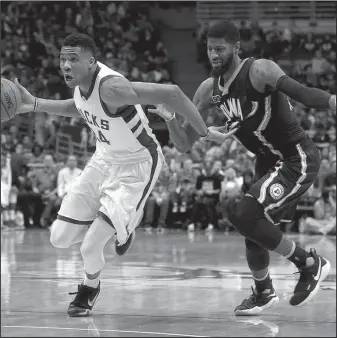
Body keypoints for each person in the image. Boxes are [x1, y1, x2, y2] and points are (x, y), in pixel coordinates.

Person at [11, 32, 226, 317]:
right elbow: (79, 108)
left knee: (89, 247)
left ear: (92, 62)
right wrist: (34, 103)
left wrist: (204, 132)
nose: (65, 65)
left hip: (138, 164)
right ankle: (118, 224)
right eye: (63, 58)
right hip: (104, 159)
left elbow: (172, 93)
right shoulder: (79, 85)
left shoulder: (112, 88)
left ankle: (90, 287)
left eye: (73, 59)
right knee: (59, 238)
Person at [149, 21, 336, 315]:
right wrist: (171, 118)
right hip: (267, 162)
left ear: (236, 48)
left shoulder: (260, 70)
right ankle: (263, 292)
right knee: (253, 231)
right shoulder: (208, 90)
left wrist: (333, 101)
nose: (213, 55)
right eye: (209, 49)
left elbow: (302, 93)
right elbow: (184, 143)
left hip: (295, 157)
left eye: (220, 49)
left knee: (244, 214)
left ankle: (310, 263)